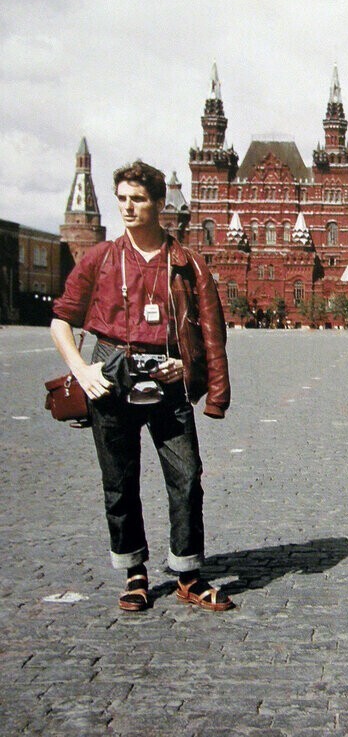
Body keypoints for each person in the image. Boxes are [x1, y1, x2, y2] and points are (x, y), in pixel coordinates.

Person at [50, 160, 235, 612]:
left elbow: (212, 327)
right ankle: (134, 573)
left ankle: (188, 574)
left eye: (138, 199)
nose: (128, 208)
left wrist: (192, 372)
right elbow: (61, 320)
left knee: (186, 477)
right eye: (123, 200)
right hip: (109, 370)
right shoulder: (102, 257)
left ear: (158, 205)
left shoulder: (185, 262)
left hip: (166, 376)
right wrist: (81, 369)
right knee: (119, 480)